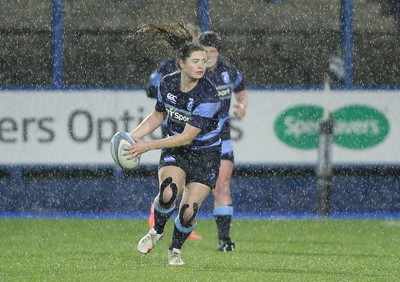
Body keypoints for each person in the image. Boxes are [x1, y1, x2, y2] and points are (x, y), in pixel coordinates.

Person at [125, 23, 221, 266]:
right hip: (176, 151)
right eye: (196, 61)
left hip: (205, 153)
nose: (202, 65)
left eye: (204, 61)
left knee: (188, 212)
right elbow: (158, 116)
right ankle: (156, 231)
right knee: (168, 192)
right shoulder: (167, 83)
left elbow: (188, 137)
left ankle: (175, 248)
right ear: (181, 63)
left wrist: (147, 146)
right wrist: (132, 137)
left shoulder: (208, 95)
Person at [145, 23, 204, 241]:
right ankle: (156, 220)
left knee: (188, 185)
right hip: (177, 131)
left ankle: (183, 222)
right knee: (172, 186)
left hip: (195, 136)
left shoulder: (201, 70)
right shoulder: (171, 68)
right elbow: (151, 88)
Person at [198, 31, 248, 252]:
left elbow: (241, 89)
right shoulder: (191, 72)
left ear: (217, 53)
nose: (208, 56)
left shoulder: (228, 70)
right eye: (205, 52)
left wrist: (242, 105)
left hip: (222, 137)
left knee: (222, 185)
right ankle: (162, 222)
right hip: (195, 139)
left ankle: (224, 240)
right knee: (184, 188)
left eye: (212, 52)